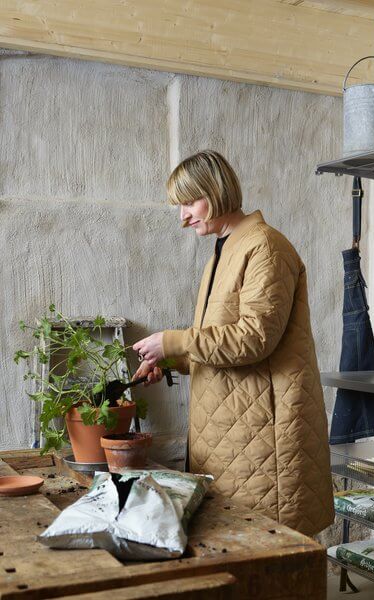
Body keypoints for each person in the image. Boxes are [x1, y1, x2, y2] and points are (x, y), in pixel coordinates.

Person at [133, 150, 334, 536]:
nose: (183, 217)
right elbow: (218, 343)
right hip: (232, 431)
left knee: (269, 553)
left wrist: (173, 342)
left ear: (217, 191)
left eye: (190, 202)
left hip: (262, 435)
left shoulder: (265, 247)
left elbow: (255, 338)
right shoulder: (224, 250)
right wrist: (172, 360)